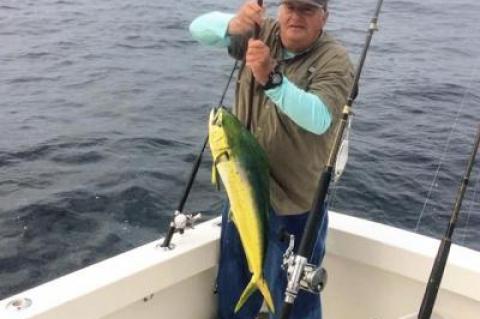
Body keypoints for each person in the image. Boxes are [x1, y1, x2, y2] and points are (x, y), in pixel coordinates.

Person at [190, 0, 354, 318]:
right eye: (290, 6)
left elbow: (319, 117)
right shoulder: (260, 32)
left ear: (324, 16)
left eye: (307, 9)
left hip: (296, 206)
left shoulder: (335, 60)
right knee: (234, 282)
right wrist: (233, 25)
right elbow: (198, 28)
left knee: (294, 299)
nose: (295, 16)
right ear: (279, 10)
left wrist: (271, 77)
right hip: (244, 194)